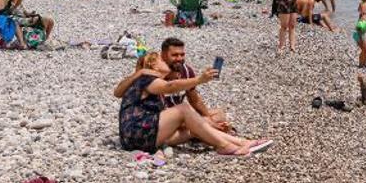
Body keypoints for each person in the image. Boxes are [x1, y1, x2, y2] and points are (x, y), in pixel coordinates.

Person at [116, 52, 272, 157]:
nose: (167, 61)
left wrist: (206, 125)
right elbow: (171, 87)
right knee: (184, 109)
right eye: (162, 60)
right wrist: (199, 79)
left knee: (196, 128)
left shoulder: (151, 82)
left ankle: (242, 143)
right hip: (136, 134)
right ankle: (225, 145)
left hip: (142, 136)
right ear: (154, 66)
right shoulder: (146, 79)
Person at [114, 38, 233, 131]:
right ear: (163, 55)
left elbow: (195, 100)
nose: (179, 59)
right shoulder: (152, 72)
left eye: (182, 54)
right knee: (199, 121)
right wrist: (139, 73)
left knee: (219, 114)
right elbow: (118, 93)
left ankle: (203, 129)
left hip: (180, 115)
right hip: (159, 119)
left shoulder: (186, 71)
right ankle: (201, 131)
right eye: (175, 55)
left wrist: (208, 118)